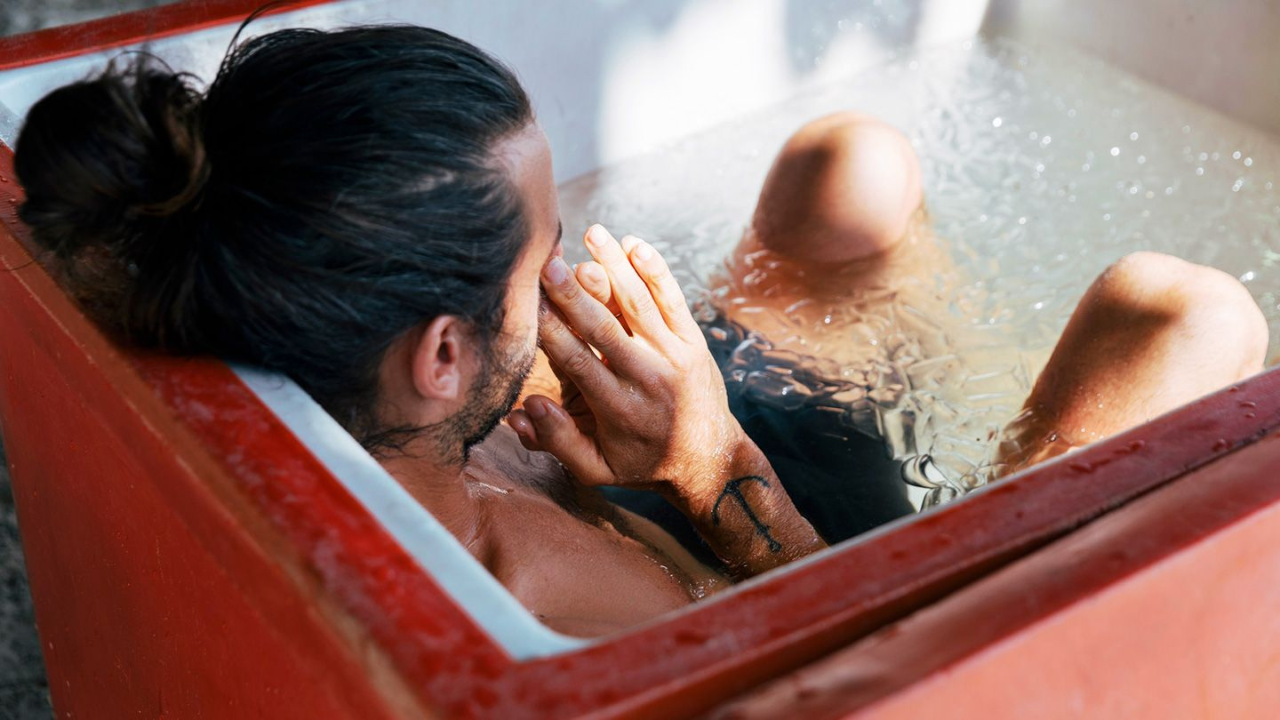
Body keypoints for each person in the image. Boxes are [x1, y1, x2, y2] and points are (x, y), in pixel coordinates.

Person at [13, 25, 1266, 637]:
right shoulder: (547, 586)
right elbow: (863, 657)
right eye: (539, 254)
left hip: (630, 457)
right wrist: (712, 465)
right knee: (1184, 315)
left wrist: (580, 376)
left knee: (850, 166)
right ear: (440, 354)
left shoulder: (289, 323)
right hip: (791, 541)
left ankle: (961, 417)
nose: (564, 265)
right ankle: (988, 476)